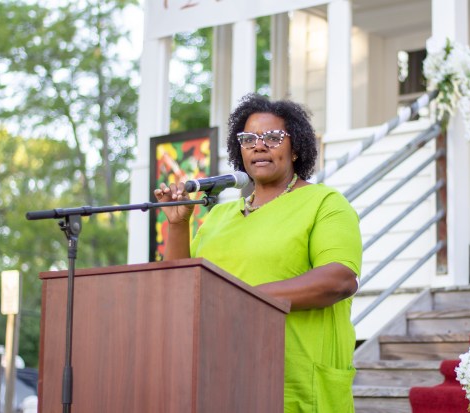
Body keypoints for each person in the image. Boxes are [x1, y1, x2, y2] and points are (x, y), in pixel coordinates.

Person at [153, 94, 362, 412]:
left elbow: (340, 280)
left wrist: (240, 298)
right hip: (223, 381)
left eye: (273, 137)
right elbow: (180, 291)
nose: (258, 145)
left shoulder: (325, 203)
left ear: (296, 147)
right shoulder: (219, 217)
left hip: (296, 385)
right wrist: (179, 226)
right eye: (248, 138)